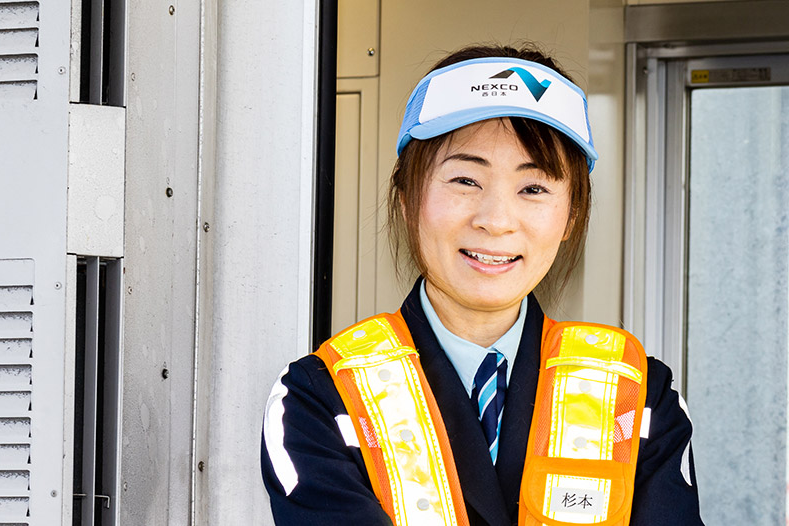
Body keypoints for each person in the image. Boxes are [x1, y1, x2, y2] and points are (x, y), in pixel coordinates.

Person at [260, 44, 703, 526]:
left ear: (571, 216)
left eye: (533, 188)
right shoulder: (324, 397)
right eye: (465, 181)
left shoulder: (636, 396)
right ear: (407, 198)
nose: (496, 220)